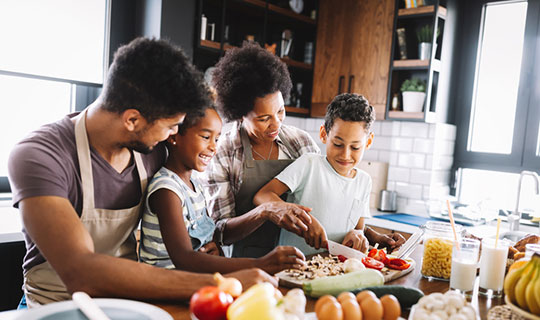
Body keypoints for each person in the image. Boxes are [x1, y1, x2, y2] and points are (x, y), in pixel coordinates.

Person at [7, 37, 275, 308]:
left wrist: (205, 245)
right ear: (132, 120)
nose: (174, 135)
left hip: (125, 304)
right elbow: (81, 272)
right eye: (172, 126)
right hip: (54, 306)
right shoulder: (39, 156)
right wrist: (222, 282)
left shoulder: (153, 151)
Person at [139, 106, 305, 273]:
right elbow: (184, 258)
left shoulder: (194, 184)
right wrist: (260, 264)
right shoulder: (167, 190)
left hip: (191, 277)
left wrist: (214, 247)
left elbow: (204, 241)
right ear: (174, 136)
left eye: (216, 139)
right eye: (205, 137)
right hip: (166, 283)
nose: (213, 147)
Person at [203, 42, 321, 258]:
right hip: (245, 261)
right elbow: (220, 232)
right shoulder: (224, 151)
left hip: (301, 258)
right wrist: (264, 212)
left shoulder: (300, 142)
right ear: (240, 114)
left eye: (281, 111)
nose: (276, 124)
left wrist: (364, 231)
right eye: (264, 118)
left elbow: (326, 195)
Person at [254, 93, 406, 255]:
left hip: (334, 270)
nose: (345, 155)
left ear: (368, 142)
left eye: (355, 147)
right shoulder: (309, 164)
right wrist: (298, 216)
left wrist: (357, 235)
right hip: (293, 267)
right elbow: (262, 196)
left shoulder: (364, 181)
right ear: (324, 135)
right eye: (338, 144)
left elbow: (357, 228)